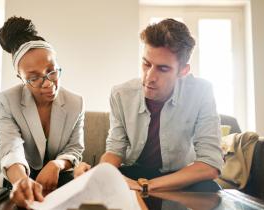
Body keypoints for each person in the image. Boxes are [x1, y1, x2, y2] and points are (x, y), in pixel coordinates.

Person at [75, 18, 223, 192]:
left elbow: (210, 164)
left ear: (183, 71)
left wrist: (147, 186)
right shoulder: (120, 94)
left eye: (163, 69)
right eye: (146, 64)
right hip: (134, 171)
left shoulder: (202, 92)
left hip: (179, 175)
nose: (149, 77)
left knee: (209, 188)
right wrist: (102, 173)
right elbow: (115, 149)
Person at [0, 16, 85, 208]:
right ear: (20, 78)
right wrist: (21, 180)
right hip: (14, 174)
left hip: (57, 176)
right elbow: (10, 147)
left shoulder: (75, 102)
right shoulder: (6, 100)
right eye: (33, 78)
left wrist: (57, 164)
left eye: (52, 71)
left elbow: (74, 149)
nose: (47, 83)